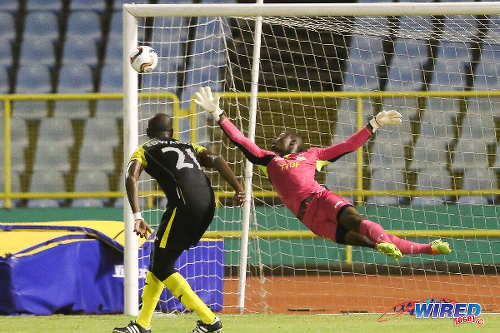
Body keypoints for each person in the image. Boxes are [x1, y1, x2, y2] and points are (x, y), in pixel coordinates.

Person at [194, 86, 451, 262]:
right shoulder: (269, 161)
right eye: (276, 139)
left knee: (356, 220)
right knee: (364, 239)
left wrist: (374, 124)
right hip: (309, 219)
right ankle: (385, 244)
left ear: (295, 140)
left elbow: (347, 146)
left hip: (321, 200)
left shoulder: (314, 155)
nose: (277, 139)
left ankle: (427, 248)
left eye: (281, 136)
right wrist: (218, 114)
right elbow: (240, 140)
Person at [114, 113, 244, 333]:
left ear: (148, 132)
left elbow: (130, 176)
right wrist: (238, 188)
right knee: (159, 260)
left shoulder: (144, 149)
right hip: (208, 205)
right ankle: (142, 325)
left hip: (183, 206)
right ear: (172, 133)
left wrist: (137, 215)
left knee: (163, 266)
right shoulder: (189, 145)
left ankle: (209, 320)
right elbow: (216, 159)